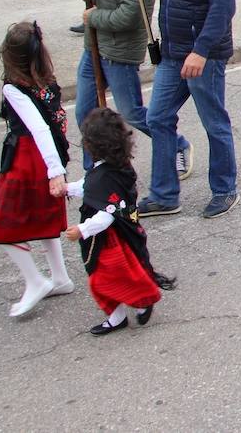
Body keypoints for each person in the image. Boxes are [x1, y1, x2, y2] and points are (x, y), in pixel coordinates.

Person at [120, 0, 239, 220]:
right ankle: (164, 195)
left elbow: (223, 6)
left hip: (204, 56)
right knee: (158, 118)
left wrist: (201, 51)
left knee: (214, 122)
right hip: (174, 54)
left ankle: (225, 189)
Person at [73, 0, 192, 177]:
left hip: (119, 51)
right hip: (93, 48)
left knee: (133, 113)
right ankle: (95, 170)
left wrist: (93, 18)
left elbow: (130, 16)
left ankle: (177, 144)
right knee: (84, 114)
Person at [0, 21, 73, 318]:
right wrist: (56, 166)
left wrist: (54, 170)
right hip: (49, 158)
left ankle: (35, 280)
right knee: (44, 219)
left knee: (2, 224)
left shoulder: (14, 88)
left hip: (27, 160)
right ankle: (59, 277)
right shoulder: (47, 79)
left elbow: (39, 128)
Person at [65, 108, 166, 336]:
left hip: (111, 241)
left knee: (106, 279)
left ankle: (141, 301)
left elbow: (106, 214)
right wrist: (67, 189)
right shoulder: (113, 167)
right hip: (113, 235)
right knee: (110, 277)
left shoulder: (106, 175)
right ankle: (116, 316)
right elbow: (89, 186)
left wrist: (82, 229)